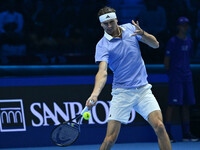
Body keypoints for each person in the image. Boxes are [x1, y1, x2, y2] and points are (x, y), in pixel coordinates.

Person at [85, 6, 171, 150]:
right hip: (122, 93)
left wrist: (143, 34)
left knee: (160, 126)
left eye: (111, 22)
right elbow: (102, 72)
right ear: (101, 24)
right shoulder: (102, 45)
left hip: (143, 90)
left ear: (116, 19)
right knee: (110, 139)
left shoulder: (131, 29)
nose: (109, 26)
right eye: (105, 24)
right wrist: (94, 94)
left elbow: (155, 44)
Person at [164, 17, 199, 142]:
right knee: (172, 104)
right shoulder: (173, 41)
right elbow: (166, 62)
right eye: (182, 25)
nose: (185, 27)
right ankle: (167, 133)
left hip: (187, 76)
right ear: (178, 27)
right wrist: (173, 74)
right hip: (176, 77)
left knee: (186, 105)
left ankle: (186, 133)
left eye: (186, 25)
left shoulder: (190, 41)